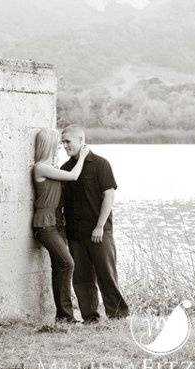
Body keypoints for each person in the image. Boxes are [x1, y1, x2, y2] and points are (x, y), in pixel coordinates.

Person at [59, 124, 129, 323]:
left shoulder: (101, 164)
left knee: (106, 274)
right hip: (75, 234)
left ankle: (118, 316)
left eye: (68, 141)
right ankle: (90, 318)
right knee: (81, 278)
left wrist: (99, 226)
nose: (65, 146)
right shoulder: (65, 169)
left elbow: (109, 195)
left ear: (81, 141)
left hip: (99, 231)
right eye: (63, 142)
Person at [32, 128, 89, 324]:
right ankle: (65, 315)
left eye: (64, 143)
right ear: (48, 145)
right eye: (58, 143)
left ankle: (63, 317)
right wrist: (82, 157)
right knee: (67, 263)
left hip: (56, 224)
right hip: (45, 226)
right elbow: (73, 176)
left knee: (59, 267)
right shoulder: (40, 167)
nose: (61, 146)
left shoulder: (52, 167)